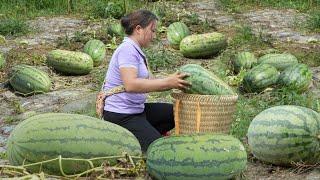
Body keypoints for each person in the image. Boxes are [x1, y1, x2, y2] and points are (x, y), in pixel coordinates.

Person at [102, 10, 190, 152]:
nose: (154, 36)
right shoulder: (127, 50)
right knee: (160, 150)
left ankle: (144, 133)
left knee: (177, 112)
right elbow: (131, 85)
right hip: (121, 115)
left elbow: (152, 82)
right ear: (138, 29)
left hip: (137, 111)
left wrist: (175, 81)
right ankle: (136, 139)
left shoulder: (136, 50)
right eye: (152, 31)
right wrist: (168, 82)